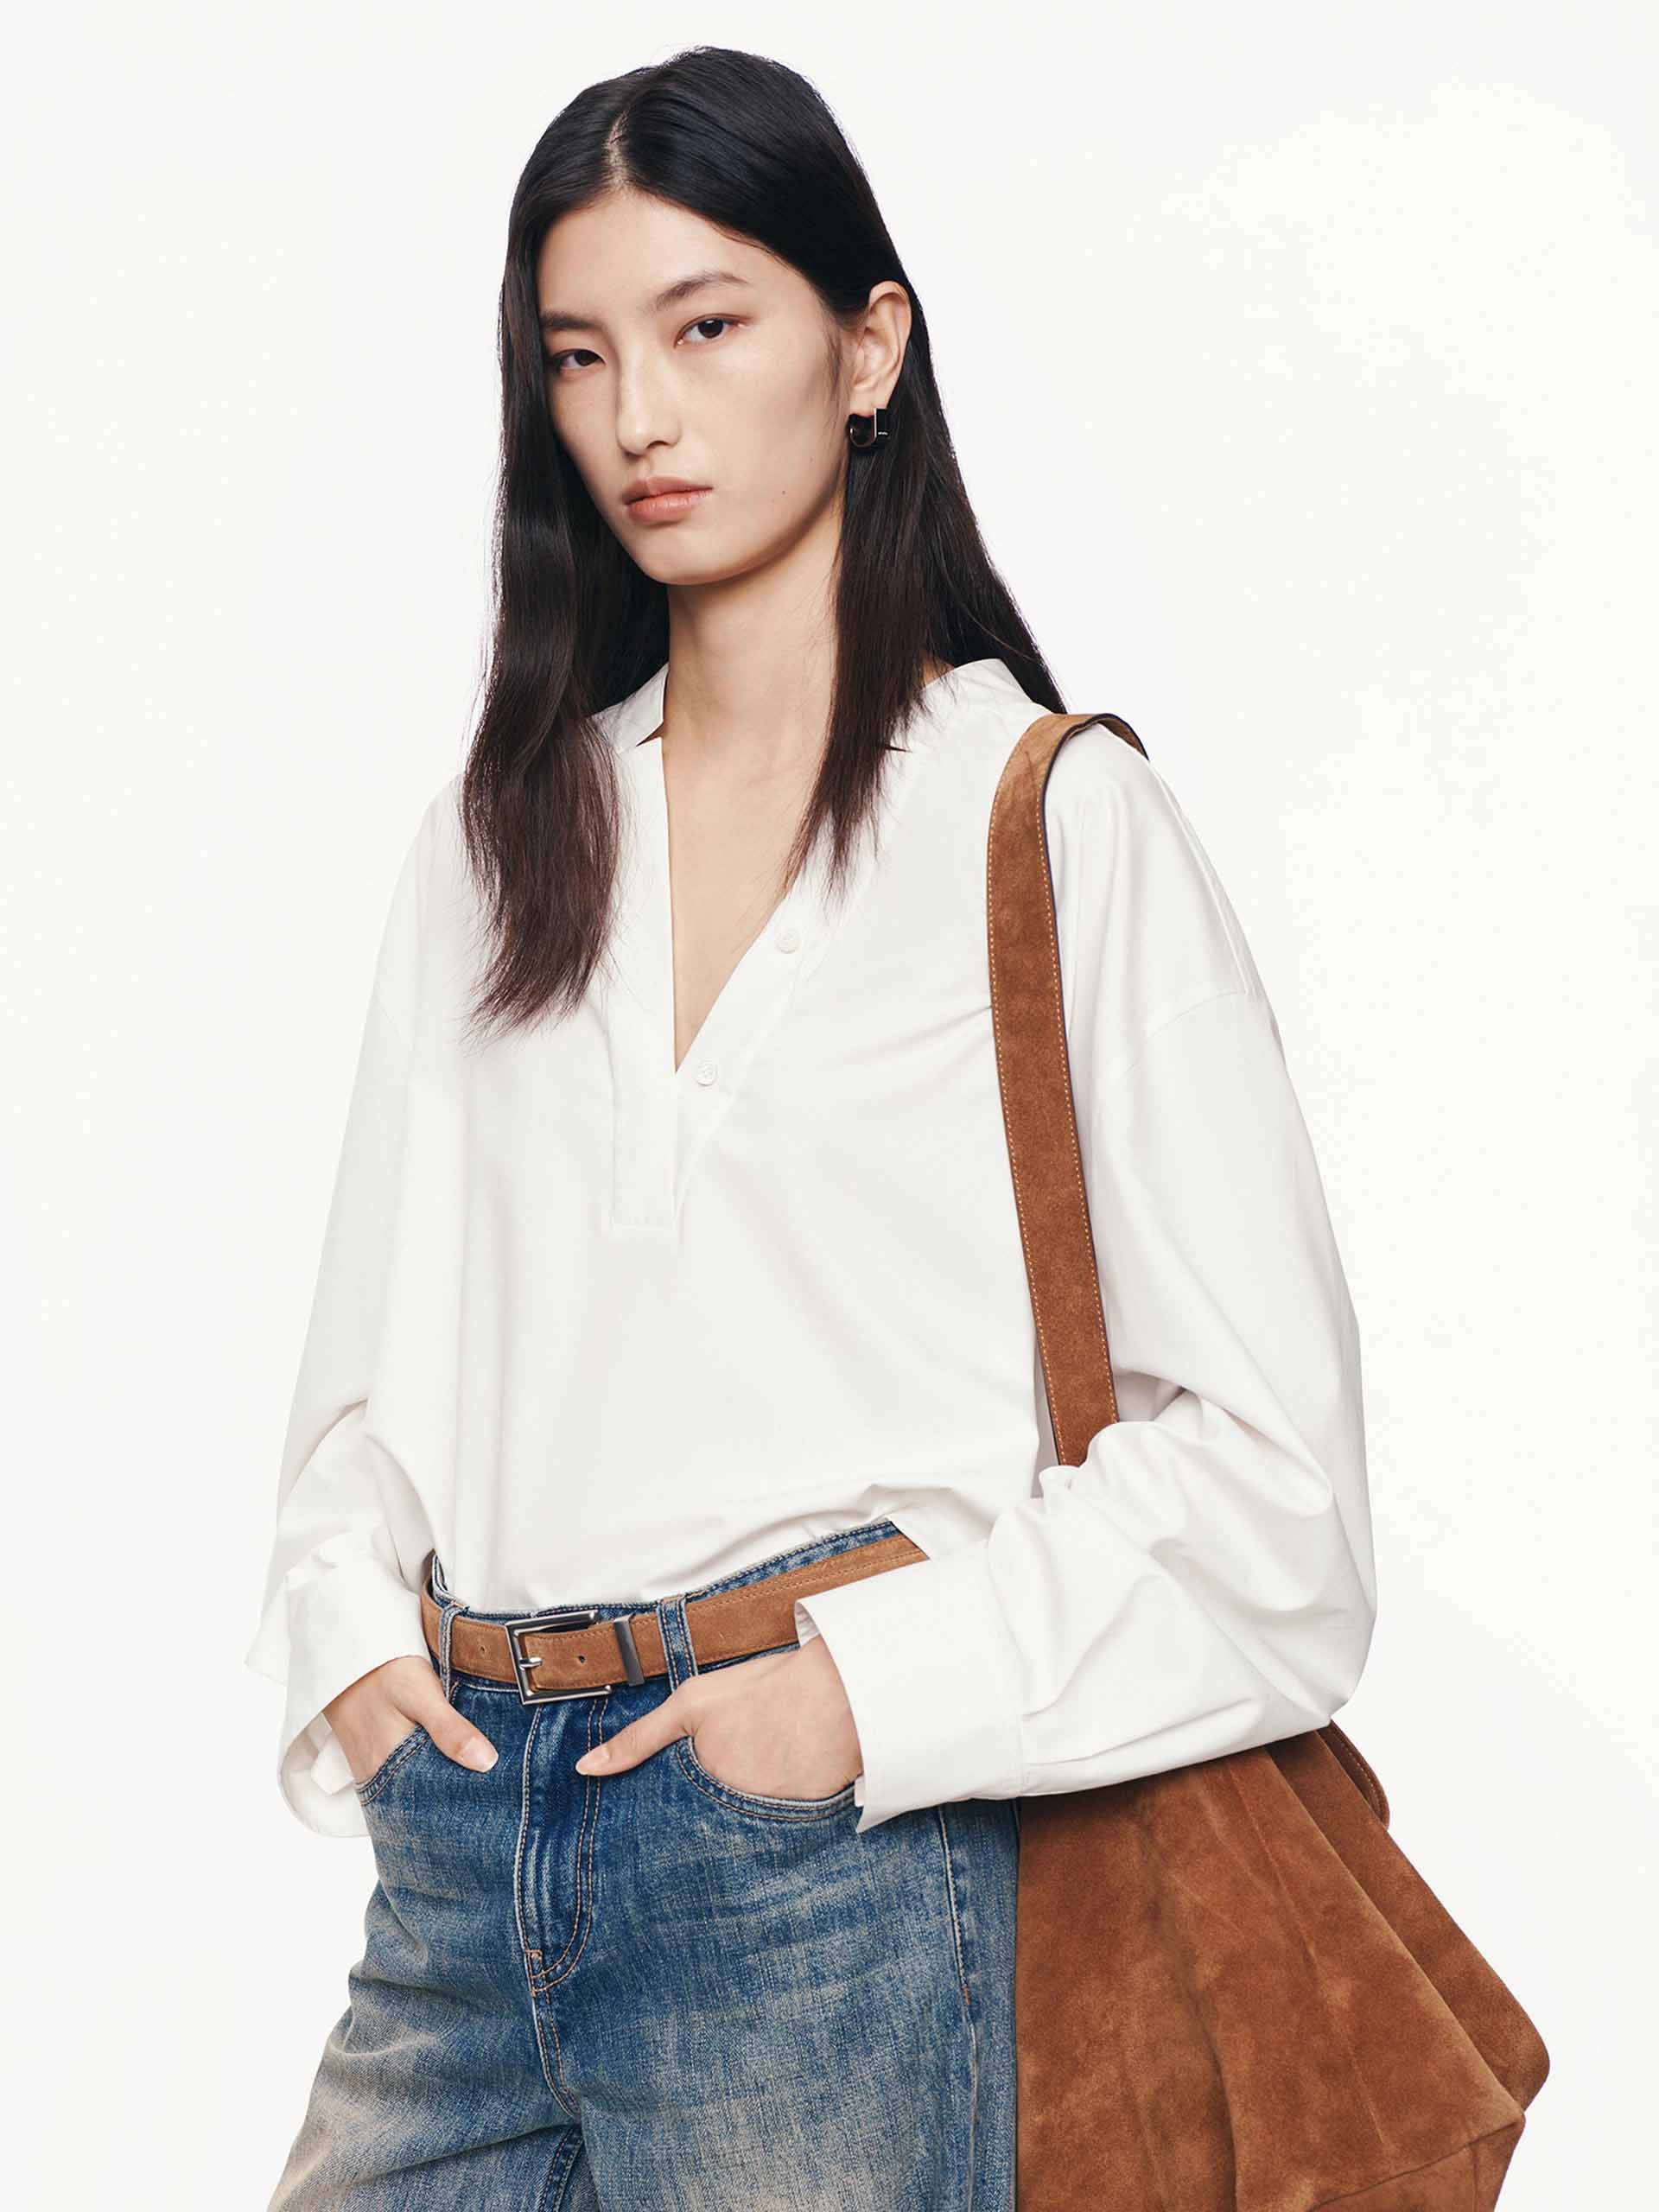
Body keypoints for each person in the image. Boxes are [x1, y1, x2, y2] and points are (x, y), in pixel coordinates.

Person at [245, 43, 1377, 2212]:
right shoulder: (502, 841)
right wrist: (357, 1654)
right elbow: (370, 1388)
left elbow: (1278, 1493)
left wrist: (849, 1700)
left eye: (706, 326)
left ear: (869, 348)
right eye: (580, 354)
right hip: (461, 1856)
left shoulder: (1051, 826)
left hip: (823, 1861)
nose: (638, 418)